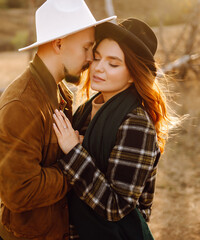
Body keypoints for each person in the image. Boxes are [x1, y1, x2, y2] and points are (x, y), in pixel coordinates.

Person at [0, 0, 115, 239]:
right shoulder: (21, 106)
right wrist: (74, 166)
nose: (91, 59)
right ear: (58, 43)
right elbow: (18, 192)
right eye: (86, 48)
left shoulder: (59, 91)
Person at [52, 18, 172, 240]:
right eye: (97, 58)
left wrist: (74, 152)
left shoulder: (136, 124)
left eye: (113, 64)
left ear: (133, 75)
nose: (98, 67)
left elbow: (116, 206)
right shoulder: (88, 108)